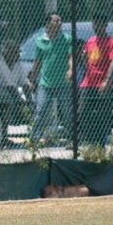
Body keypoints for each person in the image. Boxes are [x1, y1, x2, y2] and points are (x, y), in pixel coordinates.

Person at [28, 12, 73, 145]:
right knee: (40, 111)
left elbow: (71, 56)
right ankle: (34, 140)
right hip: (45, 84)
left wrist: (71, 70)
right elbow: (37, 62)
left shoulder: (67, 39)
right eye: (56, 21)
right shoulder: (40, 41)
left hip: (63, 84)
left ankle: (72, 140)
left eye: (60, 21)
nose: (59, 23)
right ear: (48, 24)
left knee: (67, 114)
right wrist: (32, 80)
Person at [78, 14, 113, 146]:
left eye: (100, 24)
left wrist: (106, 81)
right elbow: (87, 62)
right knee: (82, 112)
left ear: (105, 25)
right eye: (94, 24)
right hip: (89, 82)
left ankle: (100, 141)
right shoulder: (90, 41)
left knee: (102, 114)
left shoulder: (112, 41)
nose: (97, 27)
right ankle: (88, 138)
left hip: (103, 82)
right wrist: (83, 57)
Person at [0, 39, 31, 145]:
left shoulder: (17, 64)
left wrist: (30, 101)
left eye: (18, 52)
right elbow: (10, 86)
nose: (17, 54)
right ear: (6, 52)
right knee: (5, 105)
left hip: (6, 98)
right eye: (14, 52)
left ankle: (4, 138)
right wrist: (22, 102)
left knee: (8, 105)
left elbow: (25, 83)